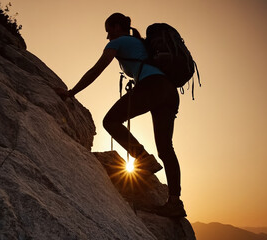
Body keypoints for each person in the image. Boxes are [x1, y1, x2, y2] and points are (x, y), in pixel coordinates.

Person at [57, 13, 186, 218]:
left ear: (117, 27)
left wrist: (72, 92)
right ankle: (174, 201)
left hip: (152, 86)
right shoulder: (139, 43)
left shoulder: (121, 41)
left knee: (110, 120)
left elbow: (97, 69)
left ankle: (143, 158)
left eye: (109, 30)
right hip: (169, 92)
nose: (108, 36)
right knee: (165, 147)